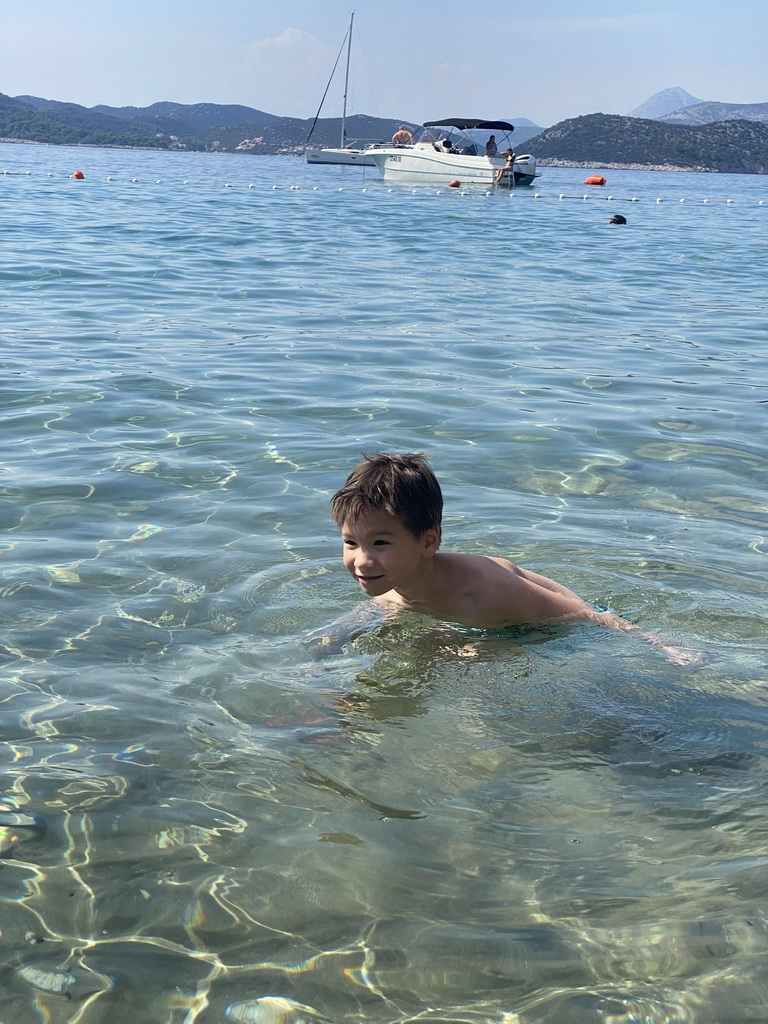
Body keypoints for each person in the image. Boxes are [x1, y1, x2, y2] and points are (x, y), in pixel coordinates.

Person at [329, 452, 702, 664]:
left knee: (463, 657)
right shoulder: (386, 586)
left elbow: (588, 616)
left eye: (380, 543)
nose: (361, 561)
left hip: (557, 635)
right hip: (475, 624)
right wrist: (326, 643)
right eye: (350, 543)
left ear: (429, 541)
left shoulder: (489, 590)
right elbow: (372, 612)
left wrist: (661, 643)